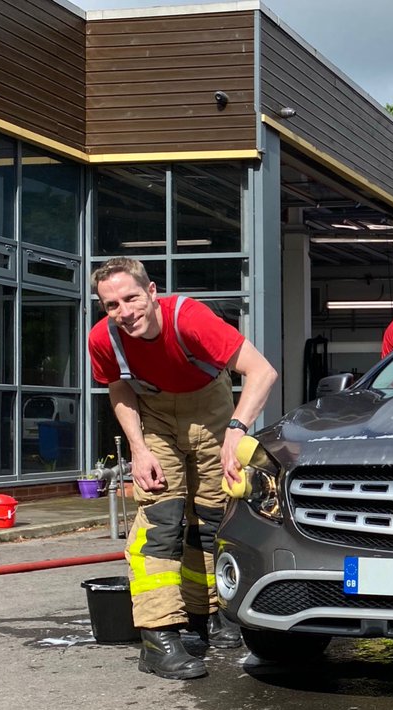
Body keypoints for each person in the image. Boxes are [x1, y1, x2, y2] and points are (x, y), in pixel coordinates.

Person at [88, 257, 278, 680]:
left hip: (211, 412)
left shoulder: (189, 319)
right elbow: (118, 387)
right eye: (111, 305)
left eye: (131, 298)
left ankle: (209, 613)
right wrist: (138, 448)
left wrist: (235, 431)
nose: (124, 312)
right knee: (161, 520)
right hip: (153, 416)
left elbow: (262, 372)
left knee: (213, 519)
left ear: (152, 291)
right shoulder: (104, 338)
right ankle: (159, 638)